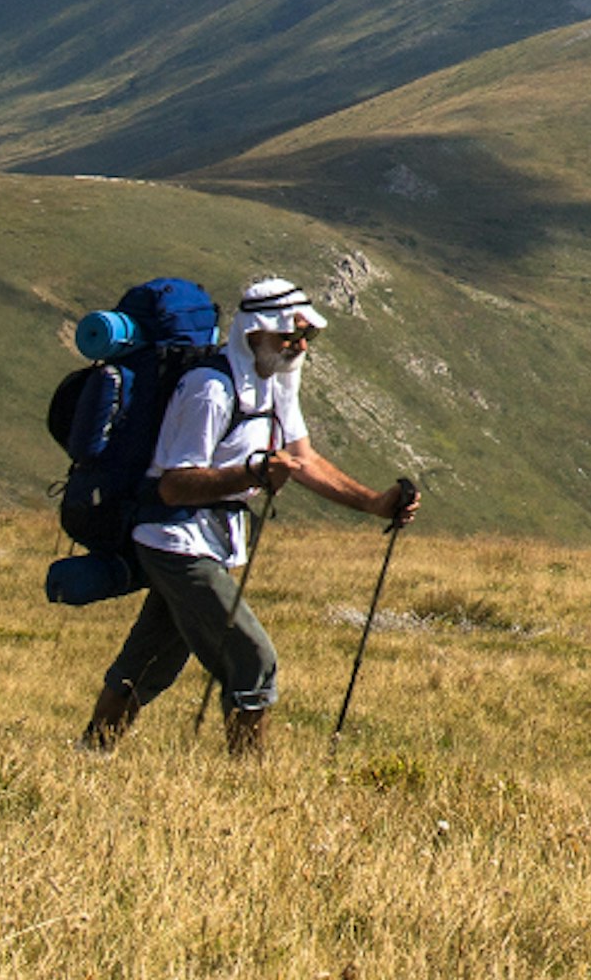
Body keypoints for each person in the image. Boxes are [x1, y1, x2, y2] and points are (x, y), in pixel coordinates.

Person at [77, 276, 420, 758]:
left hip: (205, 543)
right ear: (254, 332)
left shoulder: (274, 383)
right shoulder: (209, 390)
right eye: (290, 335)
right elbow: (174, 484)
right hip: (174, 540)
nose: (300, 345)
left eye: (307, 336)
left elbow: (303, 458)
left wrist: (373, 502)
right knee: (253, 659)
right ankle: (248, 779)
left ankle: (91, 754)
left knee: (150, 661)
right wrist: (251, 474)